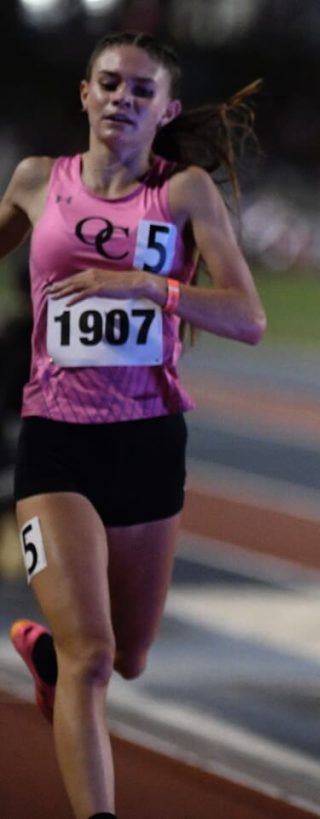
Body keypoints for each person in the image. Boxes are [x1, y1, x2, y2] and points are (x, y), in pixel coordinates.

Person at [0, 31, 265, 819]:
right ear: (85, 94)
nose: (123, 97)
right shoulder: (37, 182)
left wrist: (148, 285)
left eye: (141, 90)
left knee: (134, 656)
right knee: (95, 658)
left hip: (150, 438)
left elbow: (248, 317)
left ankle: (45, 654)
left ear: (165, 110)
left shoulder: (182, 194)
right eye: (109, 83)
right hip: (56, 437)